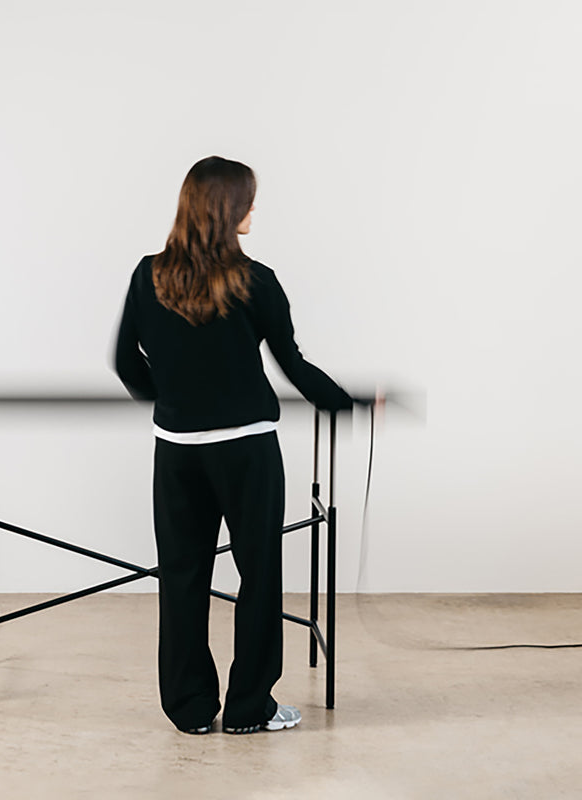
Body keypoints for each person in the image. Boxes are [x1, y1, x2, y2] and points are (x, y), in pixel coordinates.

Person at [113, 155, 371, 735]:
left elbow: (126, 363)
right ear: (229, 211)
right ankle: (249, 709)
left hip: (176, 451)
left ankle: (189, 709)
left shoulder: (147, 275)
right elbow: (294, 366)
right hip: (247, 451)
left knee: (183, 576)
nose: (256, 210)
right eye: (249, 200)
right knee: (258, 576)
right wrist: (348, 403)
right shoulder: (257, 281)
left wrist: (171, 401)